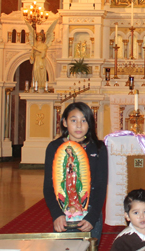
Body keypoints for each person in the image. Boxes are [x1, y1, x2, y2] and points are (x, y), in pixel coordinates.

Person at [43, 102, 108, 244]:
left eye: (84, 120)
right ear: (65, 122)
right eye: (74, 120)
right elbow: (48, 186)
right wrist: (56, 214)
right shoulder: (54, 147)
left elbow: (101, 185)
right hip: (63, 212)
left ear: (90, 123)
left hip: (90, 213)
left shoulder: (98, 148)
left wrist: (92, 217)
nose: (79, 125)